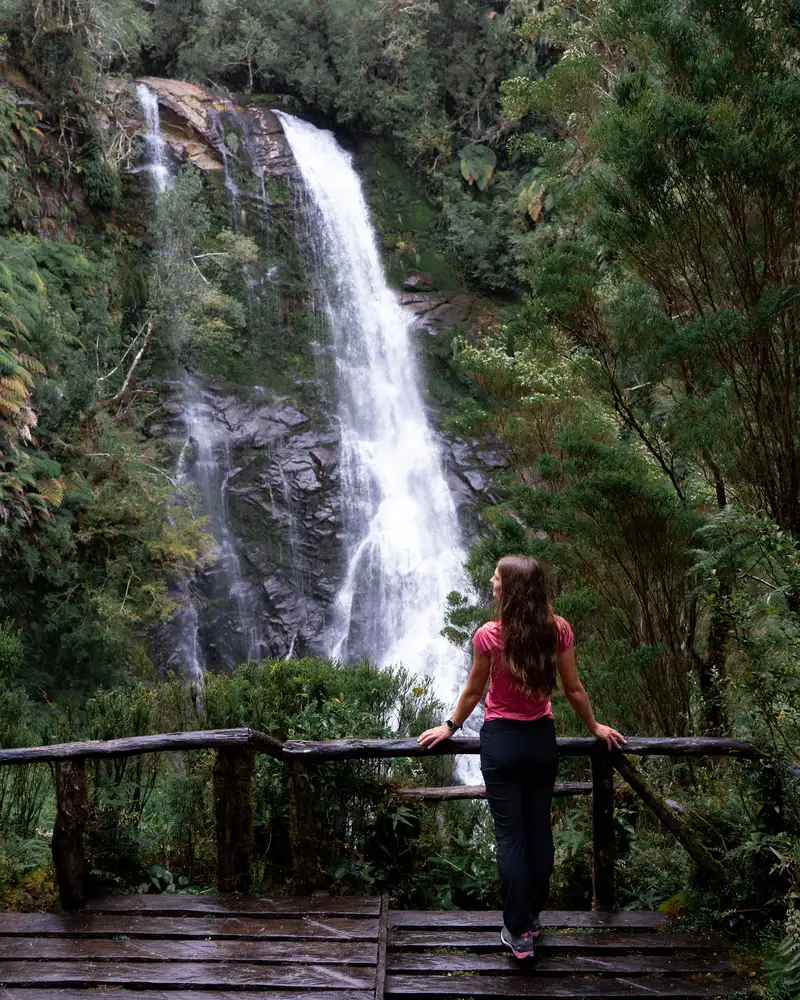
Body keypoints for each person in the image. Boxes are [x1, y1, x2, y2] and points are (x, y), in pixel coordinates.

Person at [417, 555, 625, 960]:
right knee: (539, 834)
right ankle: (529, 917)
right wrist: (594, 727)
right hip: (540, 741)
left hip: (501, 743)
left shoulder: (489, 636)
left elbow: (474, 693)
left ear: (509, 589)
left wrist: (449, 726)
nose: (492, 580)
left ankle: (517, 931)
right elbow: (573, 688)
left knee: (510, 839)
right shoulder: (558, 630)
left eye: (496, 577)